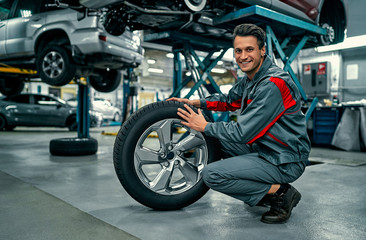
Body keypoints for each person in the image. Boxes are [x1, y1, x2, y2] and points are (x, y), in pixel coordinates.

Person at [167, 23, 310, 224]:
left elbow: (243, 133)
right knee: (213, 136)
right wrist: (195, 102)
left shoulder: (273, 84)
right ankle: (264, 187)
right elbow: (228, 101)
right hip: (264, 148)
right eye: (238, 51)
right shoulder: (252, 78)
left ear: (262, 51)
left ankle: (282, 193)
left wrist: (205, 125)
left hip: (284, 159)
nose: (243, 56)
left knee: (212, 175)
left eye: (249, 49)